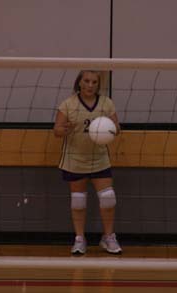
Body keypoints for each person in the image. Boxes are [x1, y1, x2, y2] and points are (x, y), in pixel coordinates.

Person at [53, 70, 122, 255]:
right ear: (79, 82)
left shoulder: (106, 103)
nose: (90, 85)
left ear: (98, 85)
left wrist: (108, 129)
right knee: (78, 201)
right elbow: (56, 130)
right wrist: (64, 129)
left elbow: (118, 129)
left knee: (108, 198)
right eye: (86, 81)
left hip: (99, 159)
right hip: (75, 159)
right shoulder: (68, 104)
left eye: (94, 82)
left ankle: (108, 237)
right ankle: (79, 239)